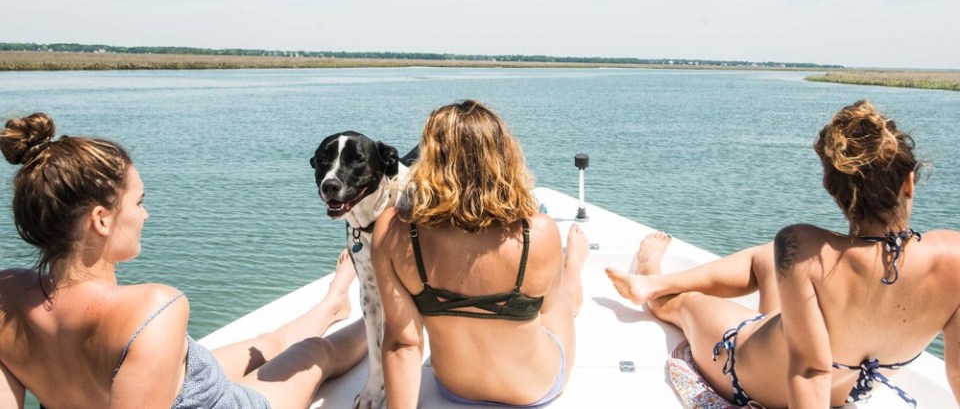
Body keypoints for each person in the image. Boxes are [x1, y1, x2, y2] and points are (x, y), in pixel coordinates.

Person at [607, 100, 960, 408]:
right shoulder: (954, 256)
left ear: (831, 189)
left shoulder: (804, 246)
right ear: (909, 183)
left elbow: (810, 372)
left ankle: (651, 281)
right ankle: (653, 281)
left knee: (684, 304)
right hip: (834, 385)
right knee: (767, 258)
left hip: (748, 373)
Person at [0, 113, 367, 409]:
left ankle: (334, 300)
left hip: (182, 380)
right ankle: (377, 323)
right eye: (139, 202)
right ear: (100, 219)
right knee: (315, 351)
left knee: (268, 343)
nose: (146, 215)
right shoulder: (153, 309)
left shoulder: (6, 295)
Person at [372, 99, 590, 408]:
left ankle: (572, 267)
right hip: (535, 387)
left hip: (454, 386)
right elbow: (546, 309)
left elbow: (402, 344)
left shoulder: (393, 231)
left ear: (430, 158)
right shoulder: (538, 232)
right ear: (504, 157)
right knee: (562, 303)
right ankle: (575, 265)